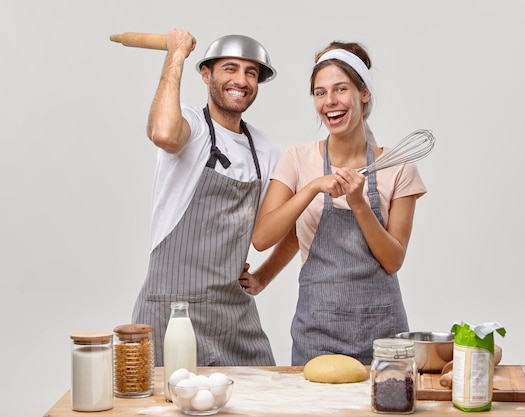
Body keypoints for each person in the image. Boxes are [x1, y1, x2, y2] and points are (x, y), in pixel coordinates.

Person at [250, 41, 427, 365]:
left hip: (383, 335)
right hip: (316, 334)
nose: (330, 101)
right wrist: (313, 187)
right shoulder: (297, 159)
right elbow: (262, 237)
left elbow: (392, 261)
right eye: (320, 92)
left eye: (340, 89)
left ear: (364, 93)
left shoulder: (399, 167)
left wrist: (359, 204)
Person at [131, 29, 298, 367]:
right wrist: (175, 55)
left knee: (262, 402)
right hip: (170, 311)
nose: (242, 79)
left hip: (233, 316)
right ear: (206, 74)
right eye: (230, 68)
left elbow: (292, 224)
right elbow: (162, 133)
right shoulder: (189, 125)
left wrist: (263, 276)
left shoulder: (266, 149)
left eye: (251, 72)